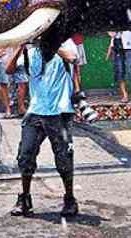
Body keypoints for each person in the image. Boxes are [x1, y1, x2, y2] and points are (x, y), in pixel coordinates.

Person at [9, 40, 80, 218]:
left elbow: (72, 57)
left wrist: (51, 43)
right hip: (36, 112)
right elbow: (9, 70)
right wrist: (20, 47)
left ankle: (70, 199)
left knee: (64, 158)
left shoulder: (64, 43)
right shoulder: (32, 52)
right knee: (25, 156)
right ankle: (24, 198)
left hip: (60, 112)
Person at [106, 31, 131, 101]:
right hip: (116, 45)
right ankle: (124, 95)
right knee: (120, 71)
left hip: (130, 45)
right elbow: (110, 31)